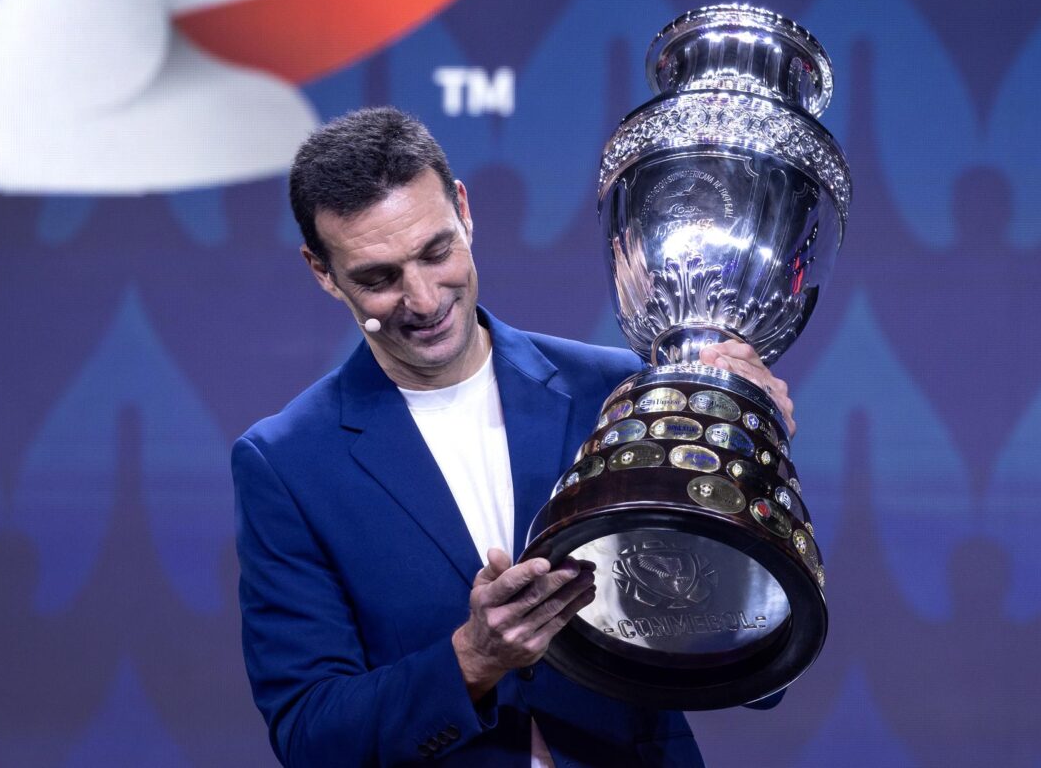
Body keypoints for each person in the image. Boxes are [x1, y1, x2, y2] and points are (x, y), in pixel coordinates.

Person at [232, 106, 797, 766]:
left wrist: (748, 463)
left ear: (464, 210)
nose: (422, 296)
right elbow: (311, 736)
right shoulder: (287, 463)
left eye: (436, 250)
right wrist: (472, 658)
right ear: (322, 270)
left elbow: (753, 666)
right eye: (378, 277)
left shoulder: (624, 395)